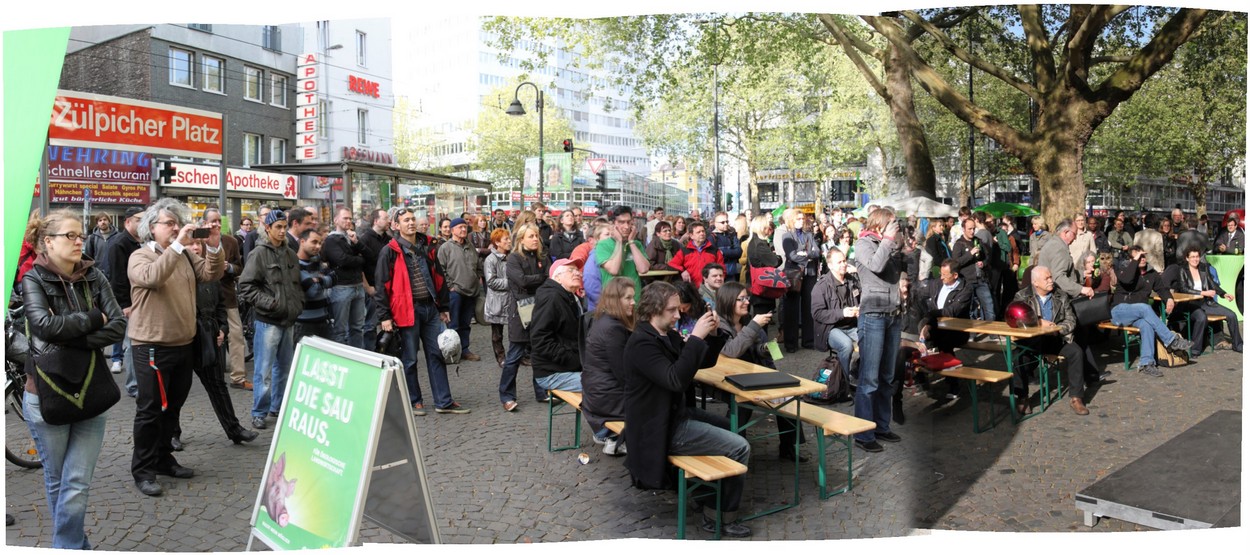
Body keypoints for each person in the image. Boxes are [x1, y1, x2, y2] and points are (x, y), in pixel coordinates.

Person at [21, 209, 127, 547]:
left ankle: (67, 547)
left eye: (80, 234)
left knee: (76, 480)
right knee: (58, 479)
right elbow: (43, 327)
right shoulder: (33, 278)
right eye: (71, 235)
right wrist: (96, 316)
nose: (79, 240)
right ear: (48, 242)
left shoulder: (94, 276)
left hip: (90, 388)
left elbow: (119, 325)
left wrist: (73, 337)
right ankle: (73, 545)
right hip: (45, 392)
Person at [623, 281, 750, 538]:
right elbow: (675, 379)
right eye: (672, 310)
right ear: (653, 310)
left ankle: (705, 493)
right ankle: (719, 516)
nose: (678, 315)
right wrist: (695, 337)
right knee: (739, 446)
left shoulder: (664, 335)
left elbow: (700, 362)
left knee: (733, 430)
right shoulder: (641, 344)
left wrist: (711, 335)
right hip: (658, 428)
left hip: (673, 415)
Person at [127, 198, 224, 497]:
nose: (176, 228)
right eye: (169, 223)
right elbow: (153, 278)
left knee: (173, 408)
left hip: (183, 343)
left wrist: (214, 246)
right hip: (151, 346)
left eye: (178, 223)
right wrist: (178, 246)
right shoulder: (140, 256)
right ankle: (143, 469)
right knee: (150, 410)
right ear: (151, 228)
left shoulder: (182, 256)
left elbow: (211, 274)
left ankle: (163, 459)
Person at [375, 207, 466, 416]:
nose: (411, 223)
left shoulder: (428, 245)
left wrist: (443, 307)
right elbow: (381, 286)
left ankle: (443, 401)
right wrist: (385, 317)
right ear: (396, 226)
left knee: (437, 354)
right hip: (406, 311)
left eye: (412, 219)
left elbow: (439, 278)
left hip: (430, 308)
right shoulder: (389, 250)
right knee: (410, 359)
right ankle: (414, 401)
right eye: (405, 220)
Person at [715, 281, 807, 462]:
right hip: (729, 380)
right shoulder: (720, 325)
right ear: (728, 301)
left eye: (747, 298)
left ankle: (788, 446)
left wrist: (766, 348)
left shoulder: (747, 321)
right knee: (740, 405)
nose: (746, 302)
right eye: (741, 299)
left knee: (787, 397)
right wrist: (754, 326)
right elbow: (731, 351)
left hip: (755, 375)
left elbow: (756, 349)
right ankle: (733, 449)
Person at [182, 240, 260, 447]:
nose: (195, 248)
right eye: (189, 245)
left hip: (209, 336)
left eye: (198, 244)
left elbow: (221, 307)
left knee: (217, 385)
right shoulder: (178, 274)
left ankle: (234, 429)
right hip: (184, 338)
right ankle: (173, 433)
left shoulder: (211, 274)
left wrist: (223, 330)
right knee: (178, 389)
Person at [238, 210, 303, 431]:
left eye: (285, 227)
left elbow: (296, 285)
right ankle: (259, 412)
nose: (282, 231)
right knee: (263, 370)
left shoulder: (290, 253)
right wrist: (272, 304)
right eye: (278, 227)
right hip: (268, 321)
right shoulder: (259, 253)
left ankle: (278, 407)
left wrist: (296, 304)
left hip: (288, 319)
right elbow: (246, 287)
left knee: (284, 368)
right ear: (267, 228)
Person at [851, 207, 905, 453]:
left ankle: (882, 426)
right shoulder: (863, 243)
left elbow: (902, 268)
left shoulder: (888, 242)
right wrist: (888, 240)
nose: (896, 227)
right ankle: (863, 433)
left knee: (887, 377)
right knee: (869, 378)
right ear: (880, 224)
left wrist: (901, 244)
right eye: (892, 223)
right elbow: (876, 264)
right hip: (873, 315)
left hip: (893, 314)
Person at [1010, 266, 1094, 415]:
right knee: (1018, 357)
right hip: (1032, 340)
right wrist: (1039, 322)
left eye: (1050, 277)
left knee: (1076, 352)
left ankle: (1076, 398)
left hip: (1056, 339)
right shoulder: (1022, 296)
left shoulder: (1060, 295)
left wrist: (1057, 329)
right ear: (1035, 282)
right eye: (1046, 278)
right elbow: (1016, 318)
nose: (1051, 280)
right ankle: (1022, 397)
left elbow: (1071, 320)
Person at [1111, 246, 1193, 377]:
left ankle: (1146, 363)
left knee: (1147, 324)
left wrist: (1169, 300)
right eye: (1138, 256)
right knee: (1145, 308)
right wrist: (1135, 261)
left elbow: (1162, 289)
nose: (1142, 259)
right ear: (1131, 259)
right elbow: (1127, 279)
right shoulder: (1124, 270)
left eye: (1143, 256)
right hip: (1120, 311)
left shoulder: (1151, 273)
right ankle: (1171, 340)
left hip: (1140, 315)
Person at [580, 277, 635, 456]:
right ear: (614, 299)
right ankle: (620, 439)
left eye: (633, 297)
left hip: (596, 392)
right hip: (605, 398)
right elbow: (623, 373)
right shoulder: (613, 328)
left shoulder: (603, 319)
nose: (633, 302)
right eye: (628, 298)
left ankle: (611, 437)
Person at [502, 223, 551, 408]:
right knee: (514, 355)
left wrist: (538, 280)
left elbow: (551, 277)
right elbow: (521, 281)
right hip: (519, 312)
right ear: (521, 239)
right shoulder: (514, 259)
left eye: (537, 236)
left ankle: (541, 391)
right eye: (531, 236)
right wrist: (541, 278)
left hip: (540, 309)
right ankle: (507, 396)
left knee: (539, 353)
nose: (535, 239)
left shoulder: (542, 257)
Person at [202, 209, 250, 392]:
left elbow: (239, 267)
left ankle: (238, 377)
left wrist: (229, 267)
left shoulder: (230, 241)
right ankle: (206, 374)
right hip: (205, 297)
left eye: (218, 221)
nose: (216, 224)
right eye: (212, 221)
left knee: (236, 336)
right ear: (204, 223)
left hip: (227, 295)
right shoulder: (198, 240)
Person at [915, 259, 973, 399]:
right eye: (940, 274)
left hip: (957, 331)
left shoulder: (966, 289)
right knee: (916, 343)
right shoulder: (937, 283)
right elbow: (919, 294)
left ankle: (954, 385)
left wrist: (929, 318)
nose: (941, 277)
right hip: (936, 326)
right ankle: (922, 381)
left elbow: (951, 312)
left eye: (944, 275)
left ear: (955, 275)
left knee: (944, 344)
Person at [101, 206, 144, 395]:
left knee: (137, 342)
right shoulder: (120, 244)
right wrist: (125, 304)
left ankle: (139, 382)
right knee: (131, 343)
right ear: (127, 222)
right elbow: (118, 277)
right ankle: (134, 385)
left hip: (139, 300)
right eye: (139, 220)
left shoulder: (139, 242)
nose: (143, 223)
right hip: (129, 303)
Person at [529, 259, 587, 396]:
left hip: (566, 366)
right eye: (571, 270)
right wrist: (575, 361)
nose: (577, 273)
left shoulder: (571, 297)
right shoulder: (551, 298)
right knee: (606, 384)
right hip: (552, 372)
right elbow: (540, 340)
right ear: (557, 277)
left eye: (578, 270)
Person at [1173, 247, 1242, 354]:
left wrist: (1223, 294)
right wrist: (1203, 293)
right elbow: (1184, 289)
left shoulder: (1203, 268)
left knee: (1232, 315)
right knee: (1201, 317)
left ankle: (1238, 345)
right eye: (1192, 257)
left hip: (1207, 303)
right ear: (1187, 258)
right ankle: (1195, 350)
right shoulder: (1182, 270)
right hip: (1190, 304)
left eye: (1197, 257)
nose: (1195, 259)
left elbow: (1212, 284)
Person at [438, 218, 484, 362]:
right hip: (455, 292)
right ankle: (452, 352)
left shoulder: (470, 246)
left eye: (465, 227)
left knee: (465, 324)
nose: (463, 230)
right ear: (452, 230)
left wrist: (478, 277)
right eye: (460, 227)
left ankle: (465, 349)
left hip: (471, 291)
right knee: (454, 324)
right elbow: (441, 270)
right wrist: (450, 286)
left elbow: (477, 265)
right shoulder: (445, 248)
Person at [322, 208, 368, 349]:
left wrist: (357, 244)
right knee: (340, 330)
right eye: (345, 218)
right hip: (341, 288)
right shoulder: (331, 240)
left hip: (358, 287)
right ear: (336, 220)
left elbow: (369, 255)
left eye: (350, 218)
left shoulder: (353, 238)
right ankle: (340, 361)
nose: (348, 221)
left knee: (358, 328)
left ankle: (358, 359)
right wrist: (359, 259)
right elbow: (342, 260)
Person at [812, 248, 860, 382]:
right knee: (846, 345)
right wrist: (842, 312)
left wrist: (859, 309)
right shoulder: (821, 286)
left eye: (844, 261)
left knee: (871, 338)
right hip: (830, 328)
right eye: (839, 262)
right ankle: (842, 383)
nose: (843, 264)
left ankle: (857, 370)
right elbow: (817, 313)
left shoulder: (852, 280)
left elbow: (862, 298)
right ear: (830, 265)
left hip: (851, 325)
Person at [778, 209, 821, 352]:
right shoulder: (786, 236)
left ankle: (808, 340)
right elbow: (791, 256)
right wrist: (807, 256)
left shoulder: (809, 235)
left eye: (802, 218)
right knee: (791, 309)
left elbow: (817, 252)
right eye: (798, 219)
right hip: (794, 274)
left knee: (808, 307)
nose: (801, 221)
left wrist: (805, 254)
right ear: (791, 220)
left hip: (809, 274)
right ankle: (791, 343)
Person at [596, 206, 651, 302]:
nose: (626, 226)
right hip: (614, 301)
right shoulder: (603, 245)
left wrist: (631, 242)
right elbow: (614, 270)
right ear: (612, 224)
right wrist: (619, 242)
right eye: (621, 222)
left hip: (635, 299)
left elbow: (643, 269)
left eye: (629, 222)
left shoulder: (636, 244)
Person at [357, 208, 392, 350]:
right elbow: (360, 266)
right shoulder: (365, 239)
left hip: (387, 288)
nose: (388, 220)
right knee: (370, 326)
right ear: (376, 221)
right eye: (385, 218)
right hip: (372, 289)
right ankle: (370, 355)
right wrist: (367, 287)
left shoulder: (389, 240)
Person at [294, 228, 335, 344]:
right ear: (302, 241)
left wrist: (319, 280)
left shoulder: (318, 262)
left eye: (320, 243)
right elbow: (313, 290)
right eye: (314, 242)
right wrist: (324, 280)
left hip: (324, 320)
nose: (318, 246)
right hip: (304, 323)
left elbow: (334, 278)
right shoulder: (294, 264)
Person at [1036, 219, 1095, 301]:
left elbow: (1064, 271)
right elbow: (1058, 278)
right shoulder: (1059, 248)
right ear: (1066, 232)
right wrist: (1081, 289)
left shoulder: (1054, 243)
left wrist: (1082, 274)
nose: (1075, 238)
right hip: (1056, 299)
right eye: (1074, 234)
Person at [951, 218, 995, 321]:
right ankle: (972, 334)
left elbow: (987, 257)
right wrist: (970, 254)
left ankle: (992, 333)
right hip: (967, 281)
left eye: (973, 228)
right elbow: (956, 263)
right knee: (971, 309)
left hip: (981, 279)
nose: (972, 231)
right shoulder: (959, 244)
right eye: (969, 229)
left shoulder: (978, 241)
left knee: (989, 306)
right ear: (963, 229)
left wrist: (983, 263)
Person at [745, 215, 782, 326]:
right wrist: (778, 257)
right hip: (762, 286)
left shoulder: (753, 242)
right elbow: (775, 262)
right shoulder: (760, 244)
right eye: (766, 227)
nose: (768, 230)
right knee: (762, 321)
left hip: (758, 285)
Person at [484, 229, 513, 367]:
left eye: (509, 238)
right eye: (505, 239)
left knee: (515, 331)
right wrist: (511, 282)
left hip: (511, 299)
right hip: (497, 301)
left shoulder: (511, 256)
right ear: (497, 243)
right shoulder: (491, 259)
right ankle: (500, 357)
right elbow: (491, 281)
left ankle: (517, 355)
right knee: (497, 334)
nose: (509, 242)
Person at [668, 220, 725, 290]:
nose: (702, 234)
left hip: (711, 289)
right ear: (691, 235)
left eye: (703, 231)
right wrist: (682, 271)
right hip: (691, 289)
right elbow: (672, 264)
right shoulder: (684, 250)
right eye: (698, 232)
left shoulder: (714, 251)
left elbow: (722, 269)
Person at [710, 212, 743, 281]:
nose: (726, 224)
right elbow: (713, 255)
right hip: (717, 274)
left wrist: (723, 252)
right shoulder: (711, 237)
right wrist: (731, 252)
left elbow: (739, 252)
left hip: (731, 273)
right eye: (722, 222)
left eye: (727, 221)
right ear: (715, 223)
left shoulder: (731, 234)